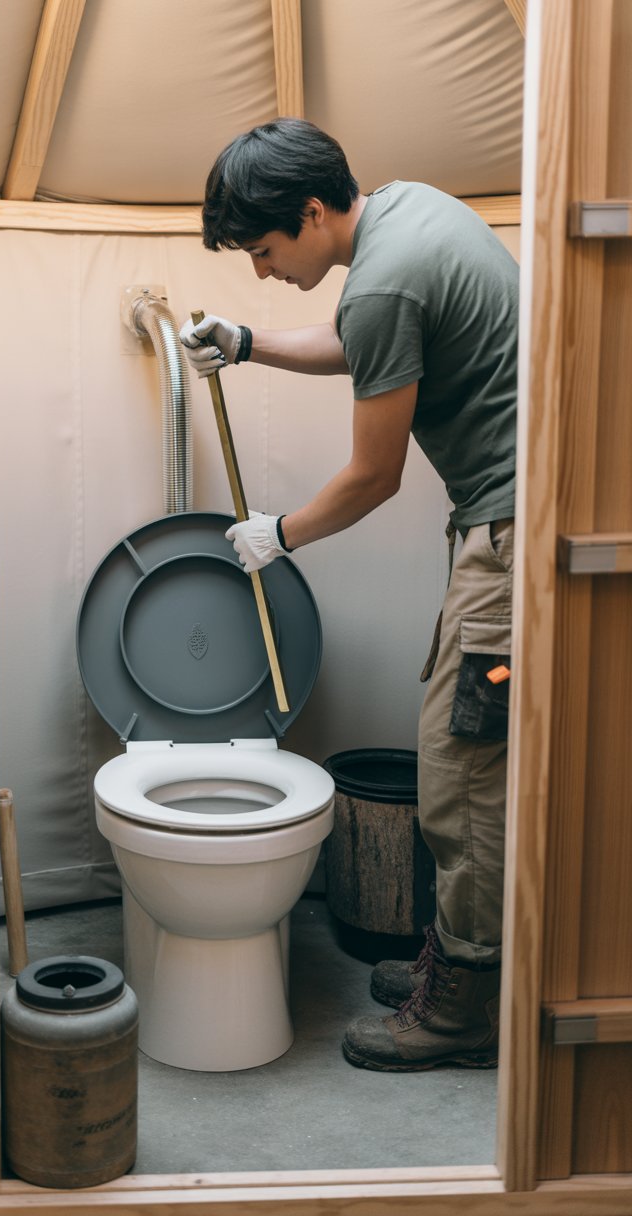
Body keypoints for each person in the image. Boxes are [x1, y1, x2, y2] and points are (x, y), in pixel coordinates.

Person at [179, 118, 517, 1072]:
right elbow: (364, 343)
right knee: (474, 763)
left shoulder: (387, 276)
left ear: (314, 212)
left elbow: (375, 477)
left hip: (513, 533)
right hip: (516, 520)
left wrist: (275, 536)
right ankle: (461, 967)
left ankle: (462, 1009)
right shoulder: (410, 212)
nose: (261, 270)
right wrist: (244, 344)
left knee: (463, 779)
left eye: (263, 250)